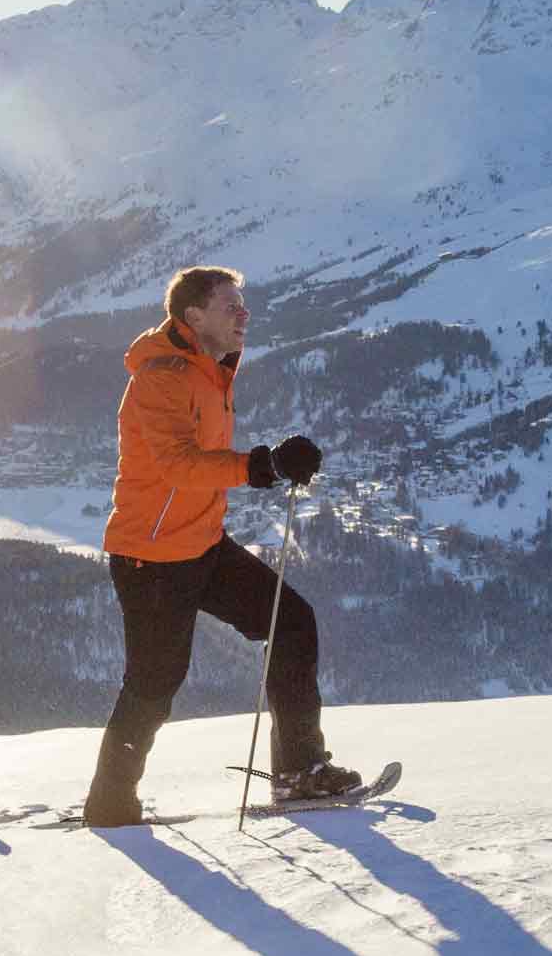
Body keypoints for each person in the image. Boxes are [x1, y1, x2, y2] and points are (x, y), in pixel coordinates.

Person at [83, 266, 359, 828]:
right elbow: (177, 465)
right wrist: (261, 465)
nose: (244, 314)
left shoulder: (210, 370)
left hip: (202, 543)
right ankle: (109, 807)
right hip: (153, 559)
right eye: (231, 306)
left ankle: (300, 771)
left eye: (243, 304)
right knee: (154, 684)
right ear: (194, 317)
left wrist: (273, 464)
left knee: (292, 621)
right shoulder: (161, 378)